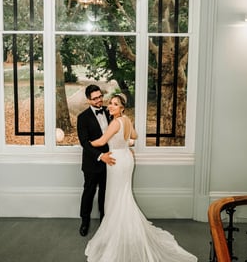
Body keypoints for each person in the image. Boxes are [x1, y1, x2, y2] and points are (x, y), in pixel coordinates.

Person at [85, 93, 198, 262]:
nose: (110, 106)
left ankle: (119, 234)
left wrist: (85, 144)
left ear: (121, 107)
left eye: (115, 104)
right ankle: (126, 231)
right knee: (123, 195)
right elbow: (134, 137)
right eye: (110, 103)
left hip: (116, 161)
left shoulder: (115, 122)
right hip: (126, 158)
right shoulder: (127, 120)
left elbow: (101, 142)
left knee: (116, 196)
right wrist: (125, 145)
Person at [77, 84, 116, 237]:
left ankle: (104, 223)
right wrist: (101, 156)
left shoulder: (109, 111)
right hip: (92, 163)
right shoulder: (83, 118)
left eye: (100, 96)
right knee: (89, 192)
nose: (99, 100)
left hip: (111, 161)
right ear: (88, 100)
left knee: (105, 194)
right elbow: (84, 143)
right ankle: (84, 222)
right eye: (95, 99)